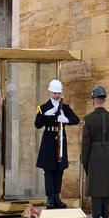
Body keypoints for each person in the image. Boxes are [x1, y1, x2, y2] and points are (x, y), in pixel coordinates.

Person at [81, 86, 109, 218]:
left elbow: (85, 143)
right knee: (107, 189)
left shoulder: (88, 119)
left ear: (93, 100)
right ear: (104, 100)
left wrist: (84, 162)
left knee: (96, 190)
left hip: (94, 154)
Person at [34, 79, 79, 209]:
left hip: (60, 140)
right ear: (49, 92)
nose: (57, 95)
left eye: (59, 93)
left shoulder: (64, 107)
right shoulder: (43, 107)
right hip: (48, 141)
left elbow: (75, 119)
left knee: (59, 171)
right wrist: (45, 115)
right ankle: (50, 197)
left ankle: (57, 196)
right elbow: (37, 124)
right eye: (54, 93)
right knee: (48, 171)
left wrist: (66, 119)